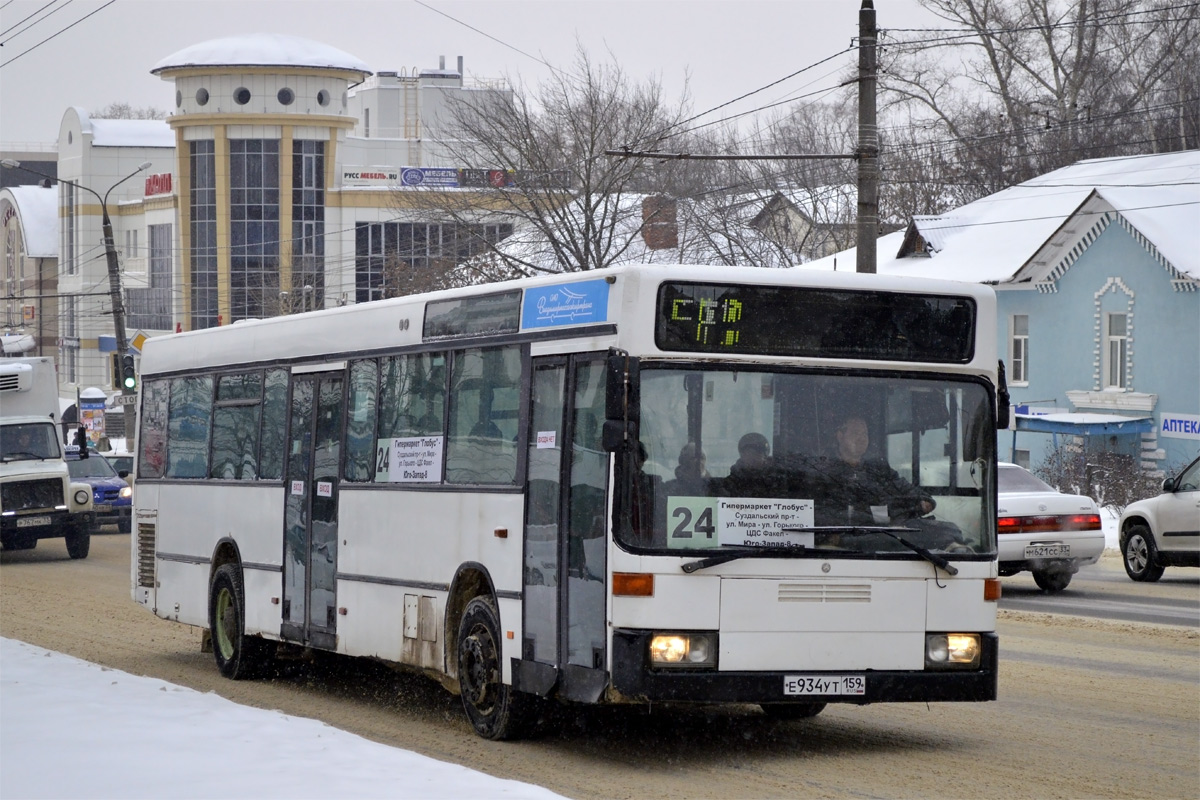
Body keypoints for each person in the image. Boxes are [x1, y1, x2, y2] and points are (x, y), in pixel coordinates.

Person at [816, 415, 935, 525]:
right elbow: (824, 513)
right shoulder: (823, 470)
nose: (861, 438)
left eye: (865, 434)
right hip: (847, 539)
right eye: (855, 433)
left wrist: (924, 501)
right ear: (840, 436)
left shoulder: (878, 468)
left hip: (884, 536)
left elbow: (904, 488)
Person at [722, 432, 788, 497]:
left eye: (757, 454)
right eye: (749, 453)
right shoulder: (730, 483)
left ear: (765, 456)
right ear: (742, 455)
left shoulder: (776, 481)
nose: (752, 458)